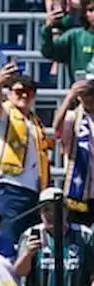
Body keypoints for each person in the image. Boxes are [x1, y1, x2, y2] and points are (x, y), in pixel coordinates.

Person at [0, 63, 47, 248]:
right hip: (8, 188)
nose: (24, 95)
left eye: (29, 92)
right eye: (19, 91)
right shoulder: (4, 114)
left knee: (29, 247)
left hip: (32, 192)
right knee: (8, 244)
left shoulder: (34, 122)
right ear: (9, 93)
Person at [15, 186, 94, 286]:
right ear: (39, 212)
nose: (51, 214)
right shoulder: (30, 234)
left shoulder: (85, 235)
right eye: (46, 209)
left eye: (56, 209)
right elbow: (19, 272)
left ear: (66, 210)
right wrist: (28, 254)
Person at [55, 79, 94, 226]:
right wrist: (69, 97)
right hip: (78, 190)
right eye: (83, 94)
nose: (88, 98)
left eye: (91, 93)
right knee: (78, 233)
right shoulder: (73, 117)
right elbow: (57, 128)